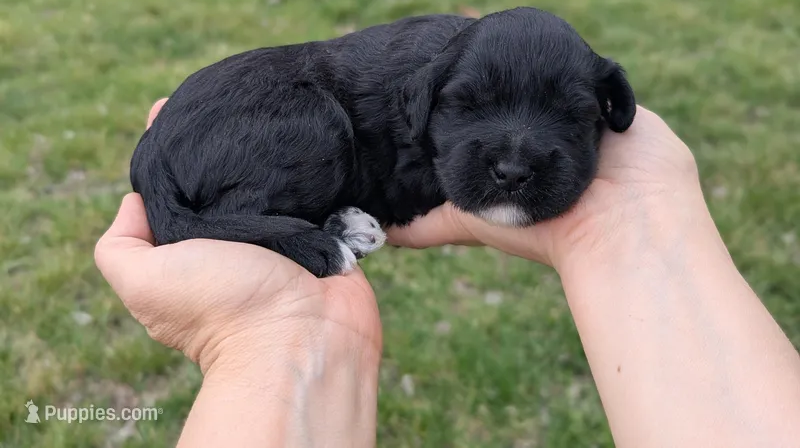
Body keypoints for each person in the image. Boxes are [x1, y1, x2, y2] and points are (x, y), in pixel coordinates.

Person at [95, 99, 800, 448]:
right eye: (469, 105)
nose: (516, 161)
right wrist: (273, 324)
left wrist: (629, 221)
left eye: (571, 115)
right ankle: (267, 221)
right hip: (226, 148)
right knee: (314, 149)